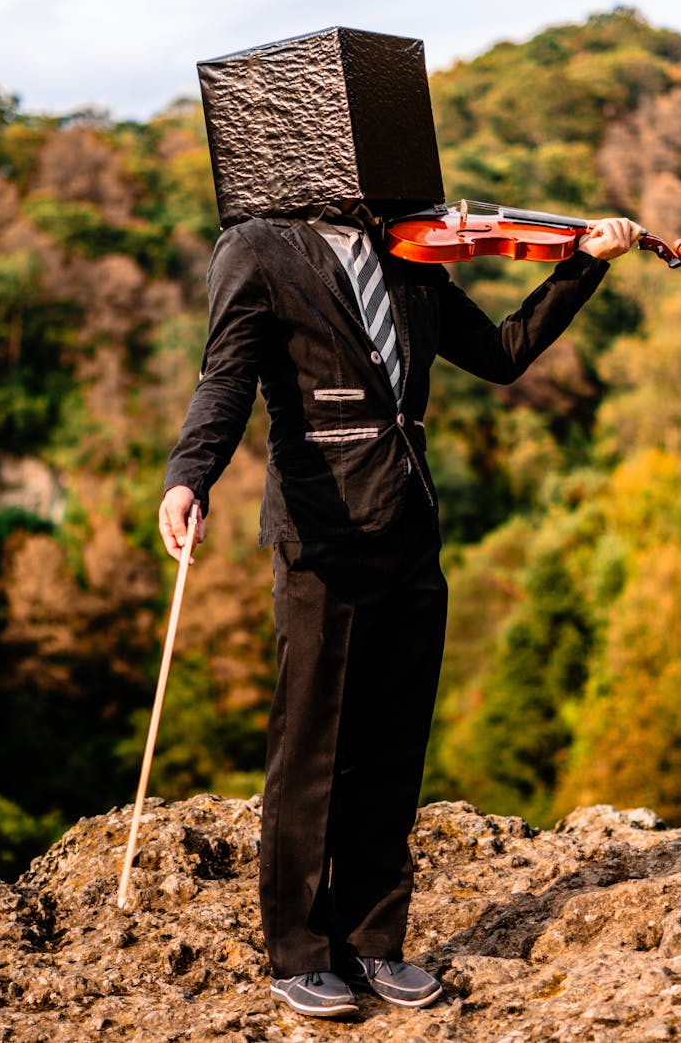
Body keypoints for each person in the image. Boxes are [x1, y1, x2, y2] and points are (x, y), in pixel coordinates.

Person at [159, 203, 641, 1018]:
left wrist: (583, 265)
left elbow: (500, 353)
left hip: (411, 528)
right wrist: (189, 474)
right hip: (322, 531)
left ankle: (375, 940)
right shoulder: (258, 250)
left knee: (392, 743)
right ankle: (300, 951)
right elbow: (226, 376)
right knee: (311, 744)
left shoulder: (410, 251)